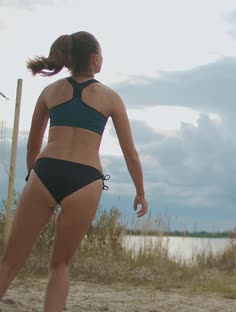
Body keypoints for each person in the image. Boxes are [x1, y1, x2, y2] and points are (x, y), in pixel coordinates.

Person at [0, 31, 148, 312]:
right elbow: (131, 154)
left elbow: (33, 146)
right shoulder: (111, 98)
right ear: (94, 59)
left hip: (46, 170)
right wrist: (140, 191)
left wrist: (36, 182)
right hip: (85, 179)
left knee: (9, 262)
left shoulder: (50, 92)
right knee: (60, 265)